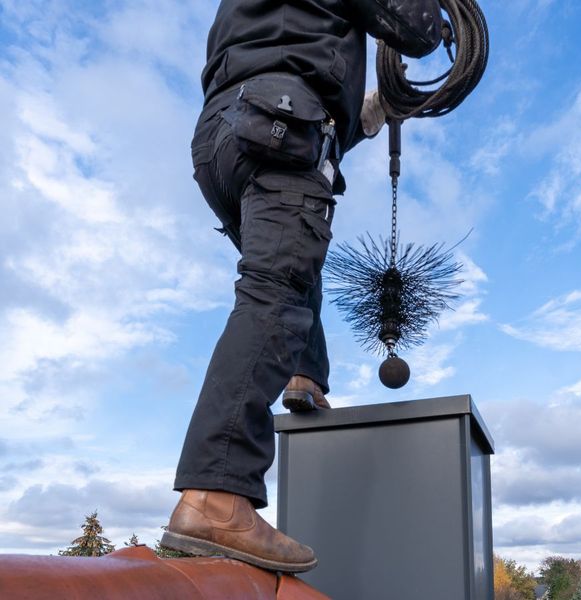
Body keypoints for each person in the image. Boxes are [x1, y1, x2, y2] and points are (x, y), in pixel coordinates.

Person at [161, 0, 442, 573]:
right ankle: (216, 496)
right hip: (278, 125)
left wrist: (365, 114)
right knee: (278, 291)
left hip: (227, 135)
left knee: (291, 267)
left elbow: (289, 61)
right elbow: (416, 27)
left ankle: (305, 376)